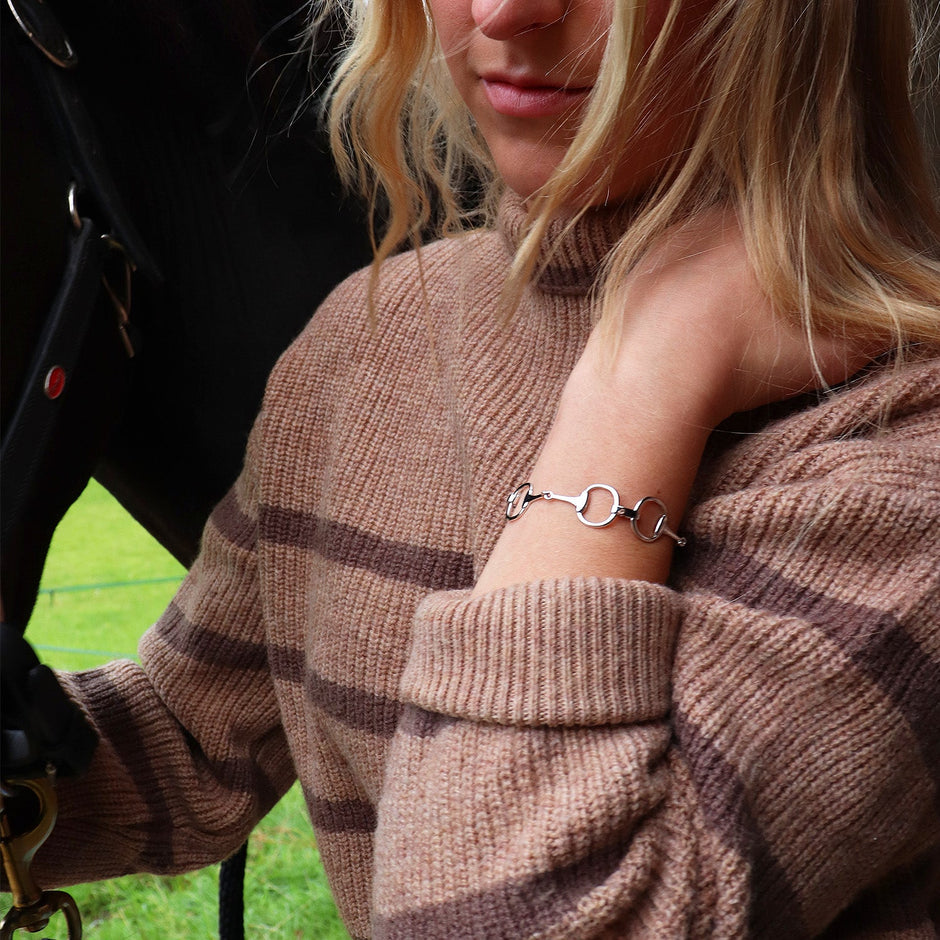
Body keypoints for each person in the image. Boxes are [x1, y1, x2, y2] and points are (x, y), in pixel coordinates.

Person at [21, 0, 940, 936]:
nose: (505, 10)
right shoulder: (376, 333)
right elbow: (189, 735)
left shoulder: (903, 452)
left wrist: (643, 383)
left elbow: (512, 914)